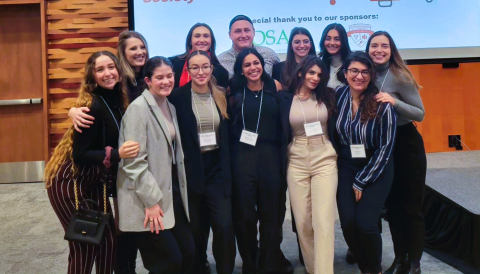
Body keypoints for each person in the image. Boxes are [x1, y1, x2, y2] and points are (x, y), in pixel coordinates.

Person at [44, 51, 140, 274]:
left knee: (108, 243)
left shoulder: (117, 100)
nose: (107, 73)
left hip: (94, 179)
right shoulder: (93, 106)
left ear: (118, 70)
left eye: (111, 67)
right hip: (70, 181)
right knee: (85, 246)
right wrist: (117, 154)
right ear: (92, 76)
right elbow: (80, 154)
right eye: (100, 69)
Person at [116, 56, 195, 274]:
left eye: (170, 76)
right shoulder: (138, 109)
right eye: (159, 77)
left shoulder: (169, 105)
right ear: (148, 81)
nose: (166, 81)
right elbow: (133, 163)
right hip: (147, 199)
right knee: (167, 262)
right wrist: (151, 202)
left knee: (188, 254)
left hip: (171, 193)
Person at [169, 51, 236, 274]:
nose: (201, 72)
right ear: (188, 71)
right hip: (190, 169)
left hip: (216, 167)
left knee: (224, 225)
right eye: (195, 67)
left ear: (211, 68)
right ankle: (199, 267)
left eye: (205, 66)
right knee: (196, 229)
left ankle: (225, 269)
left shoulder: (220, 94)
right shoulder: (176, 97)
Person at [367, 31, 426, 274]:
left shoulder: (400, 75)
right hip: (382, 145)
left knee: (411, 206)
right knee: (392, 206)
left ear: (391, 50)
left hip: (406, 144)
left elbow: (420, 113)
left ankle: (414, 262)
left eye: (384, 46)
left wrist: (394, 101)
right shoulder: (366, 74)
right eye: (374, 45)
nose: (378, 50)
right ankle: (400, 257)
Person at [334, 51, 397, 274]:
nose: (359, 76)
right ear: (345, 73)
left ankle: (375, 269)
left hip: (376, 166)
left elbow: (386, 148)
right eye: (354, 71)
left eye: (364, 71)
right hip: (347, 165)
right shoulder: (338, 96)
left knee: (366, 224)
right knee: (348, 223)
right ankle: (365, 268)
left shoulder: (382, 103)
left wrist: (361, 181)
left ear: (371, 75)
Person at [228, 48, 287, 274]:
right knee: (245, 217)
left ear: (263, 64)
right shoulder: (233, 91)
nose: (253, 68)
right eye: (247, 65)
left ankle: (268, 265)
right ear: (241, 70)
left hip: (271, 158)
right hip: (243, 158)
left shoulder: (276, 88)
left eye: (256, 63)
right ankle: (250, 265)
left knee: (272, 216)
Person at [278, 55, 337, 274]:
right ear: (301, 72)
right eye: (312, 72)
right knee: (302, 223)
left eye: (320, 75)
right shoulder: (283, 98)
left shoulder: (328, 96)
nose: (315, 78)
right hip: (296, 159)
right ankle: (314, 269)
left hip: (325, 158)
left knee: (323, 221)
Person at [169, 23, 229, 89]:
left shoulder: (222, 73)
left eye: (206, 36)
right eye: (197, 36)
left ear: (211, 41)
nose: (202, 40)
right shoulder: (172, 64)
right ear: (190, 41)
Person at [318, 23, 352, 90]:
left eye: (337, 39)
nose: (332, 43)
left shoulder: (353, 62)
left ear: (343, 41)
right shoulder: (318, 62)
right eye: (328, 39)